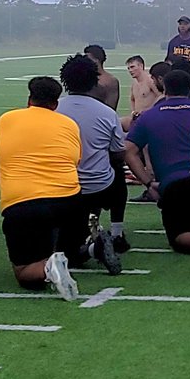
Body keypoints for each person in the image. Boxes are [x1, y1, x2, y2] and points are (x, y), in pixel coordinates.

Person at [0, 76, 85, 299]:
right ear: (56, 104)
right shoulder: (69, 124)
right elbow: (75, 161)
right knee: (57, 237)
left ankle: (47, 268)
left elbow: (0, 157)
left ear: (29, 99)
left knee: (25, 274)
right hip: (70, 203)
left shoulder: (8, 119)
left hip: (23, 204)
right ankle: (83, 249)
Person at [124, 68, 190, 253]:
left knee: (179, 240)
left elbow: (128, 151)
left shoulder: (149, 116)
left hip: (174, 184)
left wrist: (149, 183)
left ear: (164, 88)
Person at [55, 54, 126, 271]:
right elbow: (119, 153)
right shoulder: (107, 113)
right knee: (116, 168)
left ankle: (88, 243)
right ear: (95, 80)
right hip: (98, 187)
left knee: (62, 249)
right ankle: (112, 233)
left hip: (61, 188)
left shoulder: (53, 110)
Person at [123, 55, 161, 130]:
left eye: (132, 67)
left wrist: (149, 110)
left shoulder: (150, 81)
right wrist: (134, 111)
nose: (130, 70)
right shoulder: (134, 83)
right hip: (137, 118)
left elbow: (160, 96)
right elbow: (132, 99)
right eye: (128, 68)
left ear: (141, 66)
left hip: (150, 118)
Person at [84, 44, 120, 110]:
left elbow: (111, 107)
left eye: (88, 59)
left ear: (97, 60)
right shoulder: (83, 78)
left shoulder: (111, 81)